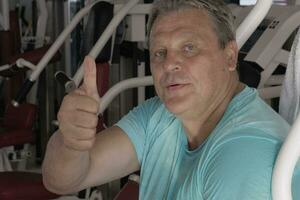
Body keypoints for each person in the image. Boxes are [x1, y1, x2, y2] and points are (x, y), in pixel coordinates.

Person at [42, 0, 298, 199]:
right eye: (160, 53)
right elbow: (63, 180)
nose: (170, 64)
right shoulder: (160, 115)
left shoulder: (247, 156)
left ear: (230, 57)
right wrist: (71, 143)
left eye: (189, 48)